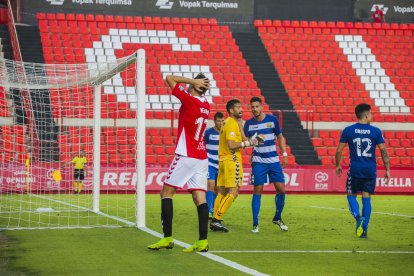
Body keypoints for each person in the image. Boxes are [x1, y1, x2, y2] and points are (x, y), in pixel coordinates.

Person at [148, 73, 211, 252]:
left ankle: (167, 238)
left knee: (166, 193)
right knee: (199, 197)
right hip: (201, 156)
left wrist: (192, 81)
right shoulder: (206, 105)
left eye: (194, 83)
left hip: (186, 154)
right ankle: (202, 241)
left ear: (196, 85)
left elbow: (169, 78)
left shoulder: (189, 99)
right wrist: (198, 84)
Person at [335, 103, 390, 238]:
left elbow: (339, 150)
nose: (371, 116)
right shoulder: (376, 131)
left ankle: (359, 218)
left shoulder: (348, 130)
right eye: (370, 114)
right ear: (366, 115)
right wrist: (387, 169)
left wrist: (337, 165)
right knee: (367, 197)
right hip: (370, 170)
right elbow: (383, 151)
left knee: (351, 195)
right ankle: (364, 231)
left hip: (355, 169)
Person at [210, 99, 263, 232]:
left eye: (241, 107)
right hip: (232, 161)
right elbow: (232, 145)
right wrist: (251, 143)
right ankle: (216, 219)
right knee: (234, 191)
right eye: (238, 107)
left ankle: (215, 219)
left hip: (223, 161)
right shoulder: (231, 123)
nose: (241, 109)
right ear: (231, 110)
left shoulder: (231, 123)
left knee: (222, 191)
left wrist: (253, 141)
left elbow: (243, 140)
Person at [244, 97, 289, 233]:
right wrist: (253, 141)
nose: (254, 109)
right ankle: (255, 224)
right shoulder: (249, 124)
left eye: (257, 106)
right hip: (258, 161)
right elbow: (246, 140)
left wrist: (284, 154)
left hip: (274, 160)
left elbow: (280, 137)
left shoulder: (272, 120)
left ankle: (277, 218)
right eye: (252, 107)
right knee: (258, 189)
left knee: (281, 189)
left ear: (262, 107)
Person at [204, 112, 225, 219]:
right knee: (210, 184)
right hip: (210, 163)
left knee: (218, 189)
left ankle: (214, 209)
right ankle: (207, 211)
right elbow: (202, 146)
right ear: (214, 121)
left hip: (221, 165)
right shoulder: (208, 133)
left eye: (222, 121)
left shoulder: (226, 133)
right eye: (218, 121)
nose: (220, 123)